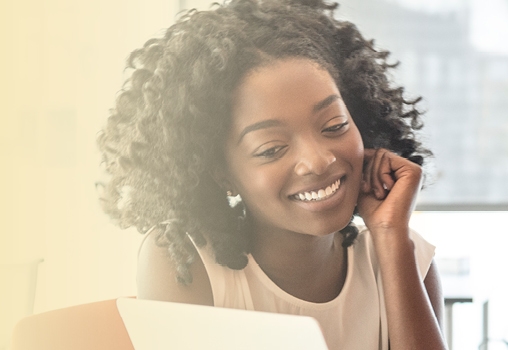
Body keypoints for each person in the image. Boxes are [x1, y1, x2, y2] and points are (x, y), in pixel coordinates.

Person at [95, 1, 443, 349]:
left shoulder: (404, 258)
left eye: (334, 125)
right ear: (221, 174)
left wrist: (391, 238)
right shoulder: (187, 264)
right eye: (271, 148)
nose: (317, 161)